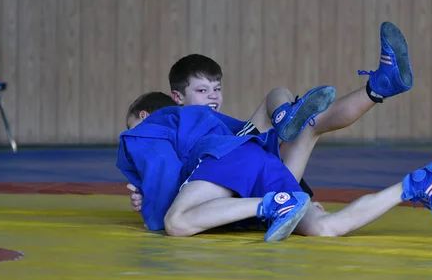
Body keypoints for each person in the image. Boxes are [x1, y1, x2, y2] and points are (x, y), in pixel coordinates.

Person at [128, 21, 413, 211]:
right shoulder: (177, 133)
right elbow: (169, 177)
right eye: (203, 91)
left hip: (250, 170)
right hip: (240, 179)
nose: (213, 96)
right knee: (293, 117)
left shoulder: (216, 126)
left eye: (217, 89)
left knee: (308, 121)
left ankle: (378, 88)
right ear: (178, 99)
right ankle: (285, 116)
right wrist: (149, 195)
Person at [117, 89, 432, 242]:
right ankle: (417, 184)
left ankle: (274, 204)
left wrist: (151, 208)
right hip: (260, 161)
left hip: (229, 160)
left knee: (175, 222)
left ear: (143, 118)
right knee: (326, 227)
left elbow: (161, 175)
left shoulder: (149, 128)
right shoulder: (206, 120)